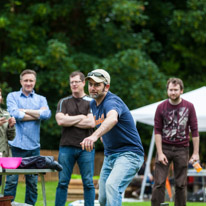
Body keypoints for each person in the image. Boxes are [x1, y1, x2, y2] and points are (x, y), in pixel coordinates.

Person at [80, 69, 144, 206]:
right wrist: (104, 135)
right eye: (90, 84)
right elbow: (103, 123)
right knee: (103, 199)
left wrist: (94, 136)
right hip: (110, 156)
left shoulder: (112, 101)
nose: (92, 88)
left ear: (106, 86)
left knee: (112, 187)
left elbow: (113, 119)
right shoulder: (93, 104)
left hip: (129, 154)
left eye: (97, 85)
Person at [4, 69, 51, 205]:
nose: (28, 83)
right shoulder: (12, 96)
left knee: (32, 184)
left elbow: (47, 115)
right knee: (11, 182)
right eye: (26, 80)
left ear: (35, 82)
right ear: (21, 82)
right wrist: (37, 114)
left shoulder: (41, 99)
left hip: (33, 148)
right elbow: (14, 114)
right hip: (15, 146)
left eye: (31, 80)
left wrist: (24, 110)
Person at [151, 78, 200, 206]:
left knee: (180, 184)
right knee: (159, 182)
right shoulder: (161, 107)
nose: (173, 92)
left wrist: (195, 153)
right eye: (170, 90)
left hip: (182, 149)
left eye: (175, 90)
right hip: (165, 148)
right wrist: (160, 153)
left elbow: (194, 130)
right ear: (167, 91)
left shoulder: (189, 107)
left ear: (181, 91)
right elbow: (157, 131)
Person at [55, 71, 96, 206]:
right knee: (62, 182)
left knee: (88, 183)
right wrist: (81, 117)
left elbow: (91, 123)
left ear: (83, 83)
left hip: (87, 147)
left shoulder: (92, 102)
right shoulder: (63, 102)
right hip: (66, 147)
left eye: (76, 82)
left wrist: (69, 119)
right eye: (71, 82)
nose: (73, 84)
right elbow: (60, 121)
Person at [0, 88, 16, 157]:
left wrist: (11, 126)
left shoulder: (5, 114)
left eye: (0, 95)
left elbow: (11, 137)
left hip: (4, 155)